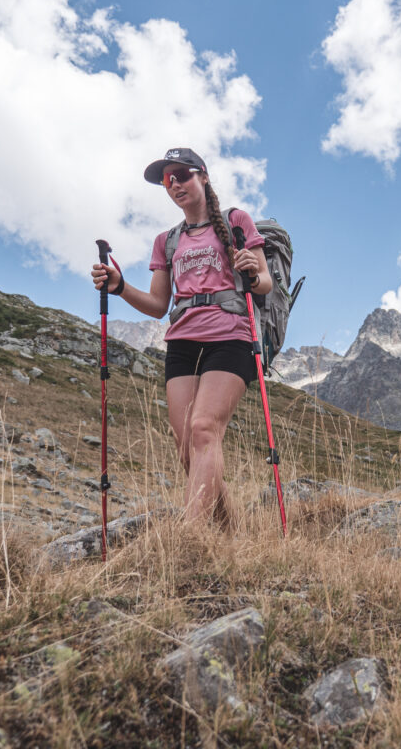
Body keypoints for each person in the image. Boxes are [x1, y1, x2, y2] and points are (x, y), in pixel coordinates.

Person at [91, 148, 271, 528]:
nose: (174, 184)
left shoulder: (236, 220)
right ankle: (230, 529)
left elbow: (265, 284)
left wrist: (253, 271)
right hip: (182, 343)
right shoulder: (167, 241)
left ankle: (190, 539)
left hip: (230, 336)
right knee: (188, 447)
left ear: (203, 177)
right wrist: (120, 286)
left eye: (182, 175)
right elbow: (158, 305)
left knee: (203, 428)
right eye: (166, 180)